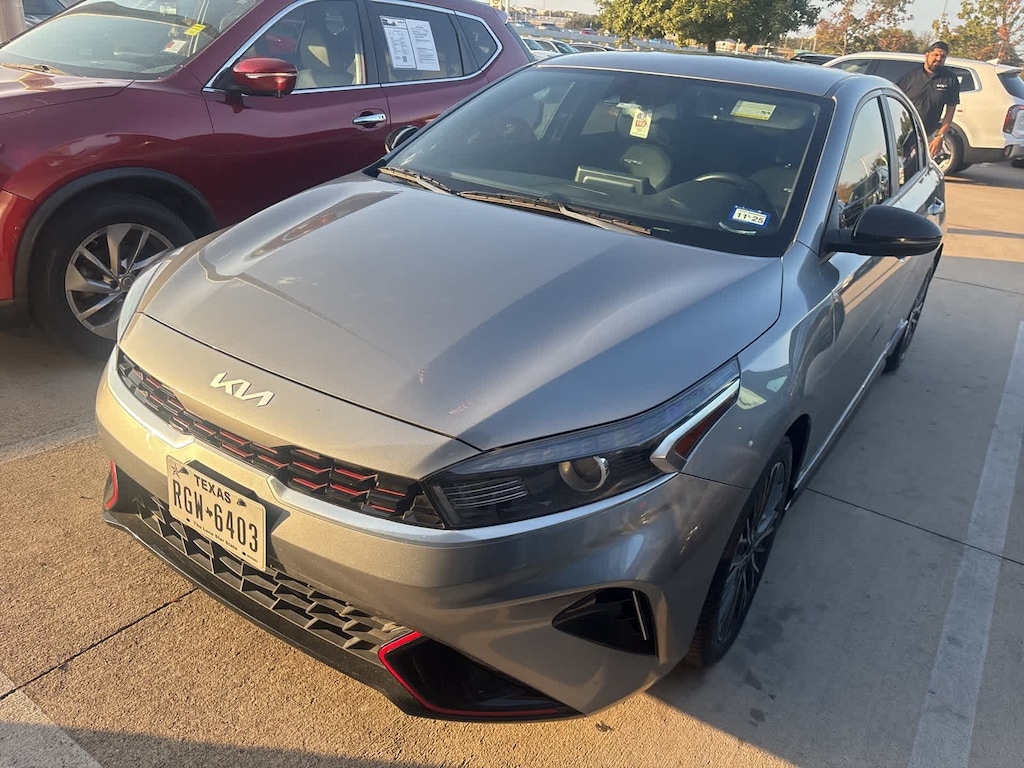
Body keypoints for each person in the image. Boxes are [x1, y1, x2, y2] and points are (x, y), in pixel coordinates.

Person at [896, 41, 961, 158]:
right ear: (927, 55)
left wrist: (939, 137)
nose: (938, 59)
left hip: (929, 134)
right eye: (935, 55)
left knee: (919, 170)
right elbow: (895, 102)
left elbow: (950, 112)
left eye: (942, 56)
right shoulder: (910, 77)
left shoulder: (950, 79)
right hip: (905, 132)